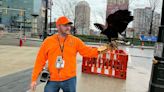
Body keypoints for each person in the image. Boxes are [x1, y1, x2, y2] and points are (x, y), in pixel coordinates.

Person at [30, 16, 108, 92]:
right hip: (53, 79)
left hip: (69, 79)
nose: (68, 28)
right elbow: (40, 60)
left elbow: (87, 51)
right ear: (58, 26)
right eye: (65, 25)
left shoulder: (75, 41)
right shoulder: (48, 41)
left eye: (69, 25)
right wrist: (34, 79)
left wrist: (103, 49)